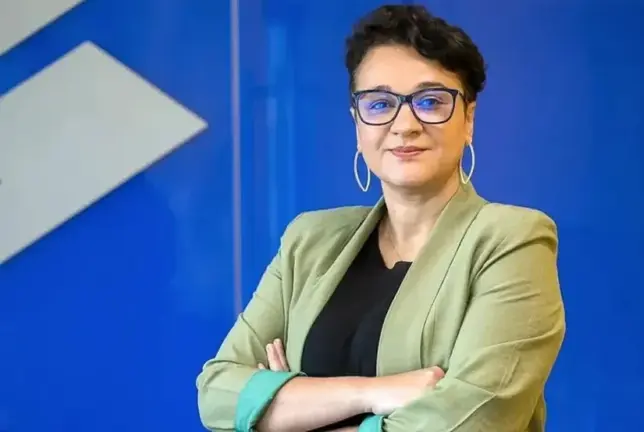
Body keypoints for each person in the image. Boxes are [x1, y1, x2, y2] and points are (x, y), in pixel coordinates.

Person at [196, 4, 566, 431]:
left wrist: (289, 409)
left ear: (468, 118)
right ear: (358, 123)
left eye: (430, 101)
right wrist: (371, 393)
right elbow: (218, 394)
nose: (404, 125)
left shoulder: (513, 242)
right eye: (379, 103)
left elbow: (470, 422)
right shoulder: (308, 242)